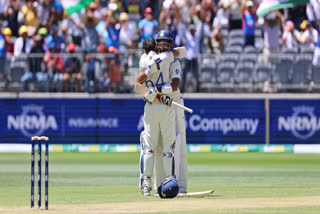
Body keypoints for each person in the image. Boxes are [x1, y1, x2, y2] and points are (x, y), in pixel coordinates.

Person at [136, 30, 186, 196]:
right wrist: (158, 91)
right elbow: (181, 51)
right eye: (161, 43)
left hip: (150, 105)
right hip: (164, 105)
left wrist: (151, 91)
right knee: (168, 147)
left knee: (149, 148)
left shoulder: (142, 60)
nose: (163, 45)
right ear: (156, 46)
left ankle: (146, 186)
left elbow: (138, 83)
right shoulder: (165, 58)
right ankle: (169, 182)